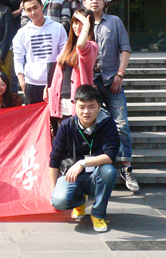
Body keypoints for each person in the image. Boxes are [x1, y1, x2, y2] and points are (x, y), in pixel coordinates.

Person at [83, 0, 139, 192]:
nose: (94, 1)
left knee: (121, 124)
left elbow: (125, 49)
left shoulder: (114, 21)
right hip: (90, 82)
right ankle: (93, 168)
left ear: (104, 1)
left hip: (112, 80)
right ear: (84, 2)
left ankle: (126, 167)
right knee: (89, 125)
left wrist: (120, 74)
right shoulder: (81, 23)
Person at [49, 84, 119, 233]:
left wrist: (83, 163)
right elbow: (54, 158)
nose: (86, 111)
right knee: (58, 201)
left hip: (96, 176)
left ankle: (98, 214)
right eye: (82, 107)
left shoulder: (107, 124)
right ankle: (80, 201)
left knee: (109, 171)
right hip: (73, 177)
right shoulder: (67, 126)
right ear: (75, 107)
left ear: (99, 107)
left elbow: (110, 156)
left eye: (91, 107)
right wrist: (53, 190)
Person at [45, 9, 98, 136]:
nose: (77, 26)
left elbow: (81, 46)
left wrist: (87, 25)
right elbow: (58, 71)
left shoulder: (91, 46)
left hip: (78, 99)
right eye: (75, 22)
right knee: (61, 136)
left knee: (77, 137)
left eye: (81, 23)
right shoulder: (67, 46)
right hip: (60, 98)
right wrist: (48, 87)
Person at [13, 0, 67, 105]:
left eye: (35, 7)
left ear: (42, 6)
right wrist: (22, 82)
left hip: (54, 81)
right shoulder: (22, 33)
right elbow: (18, 58)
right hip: (31, 83)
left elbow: (64, 54)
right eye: (29, 10)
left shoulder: (58, 28)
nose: (33, 12)